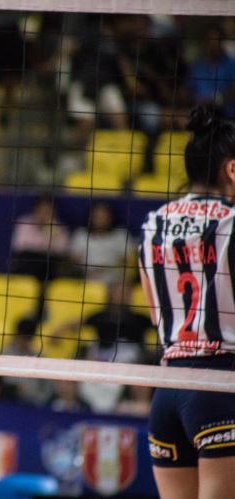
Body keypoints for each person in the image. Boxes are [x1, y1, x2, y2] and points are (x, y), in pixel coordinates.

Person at [138, 106, 235, 499]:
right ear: (231, 169)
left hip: (168, 389)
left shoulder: (154, 222)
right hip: (221, 385)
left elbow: (154, 313)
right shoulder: (230, 220)